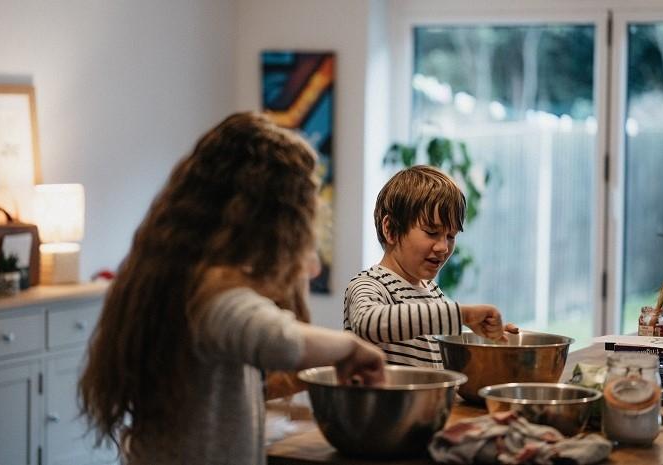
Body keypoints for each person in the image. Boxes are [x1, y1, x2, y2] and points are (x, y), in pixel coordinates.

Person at [78, 112, 385, 465]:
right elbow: (278, 340)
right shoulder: (210, 295)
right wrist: (351, 348)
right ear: (267, 220)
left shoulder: (174, 273)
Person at [344, 165, 517, 368]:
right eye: (431, 232)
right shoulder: (369, 285)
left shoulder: (434, 293)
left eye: (451, 236)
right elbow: (367, 323)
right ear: (390, 229)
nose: (444, 247)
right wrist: (463, 315)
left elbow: (442, 330)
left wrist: (489, 335)